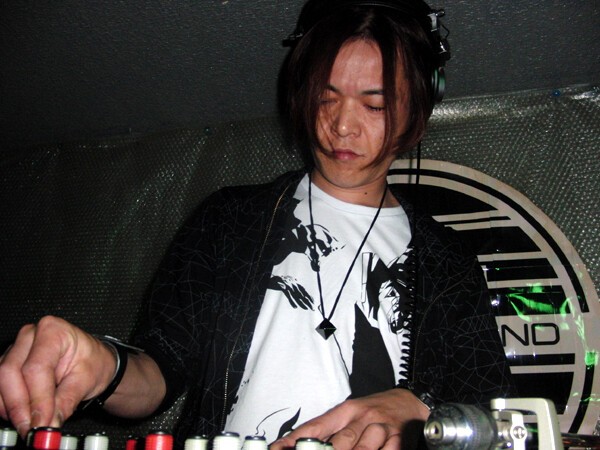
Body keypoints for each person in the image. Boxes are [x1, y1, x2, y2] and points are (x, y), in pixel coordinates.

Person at [0, 1, 515, 449]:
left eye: (374, 104)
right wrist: (104, 366)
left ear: (418, 111)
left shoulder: (448, 263)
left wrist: (424, 408)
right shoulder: (228, 220)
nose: (342, 125)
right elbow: (158, 373)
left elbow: (497, 416)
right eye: (326, 98)